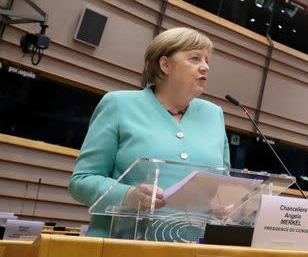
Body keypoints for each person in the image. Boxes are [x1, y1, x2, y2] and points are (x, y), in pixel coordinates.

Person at [69, 27, 229, 237]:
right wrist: (128, 195)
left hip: (196, 246)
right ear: (165, 64)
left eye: (207, 60)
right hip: (123, 243)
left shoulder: (214, 114)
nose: (205, 67)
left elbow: (224, 184)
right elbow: (82, 181)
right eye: (195, 58)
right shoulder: (118, 105)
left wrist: (226, 203)